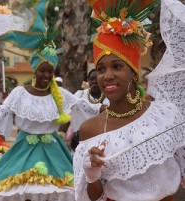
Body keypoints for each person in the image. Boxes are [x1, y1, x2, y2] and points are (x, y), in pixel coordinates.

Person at [0, 1, 101, 200]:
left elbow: (89, 109)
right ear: (35, 70)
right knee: (20, 191)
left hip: (54, 154)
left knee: (57, 192)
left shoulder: (63, 95)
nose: (47, 75)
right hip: (23, 152)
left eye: (50, 71)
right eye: (42, 70)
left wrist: (118, 107)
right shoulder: (19, 94)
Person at [74, 0, 185, 201]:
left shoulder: (166, 116)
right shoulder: (91, 129)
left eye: (117, 66)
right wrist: (92, 176)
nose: (107, 76)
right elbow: (93, 198)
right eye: (101, 69)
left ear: (134, 73)